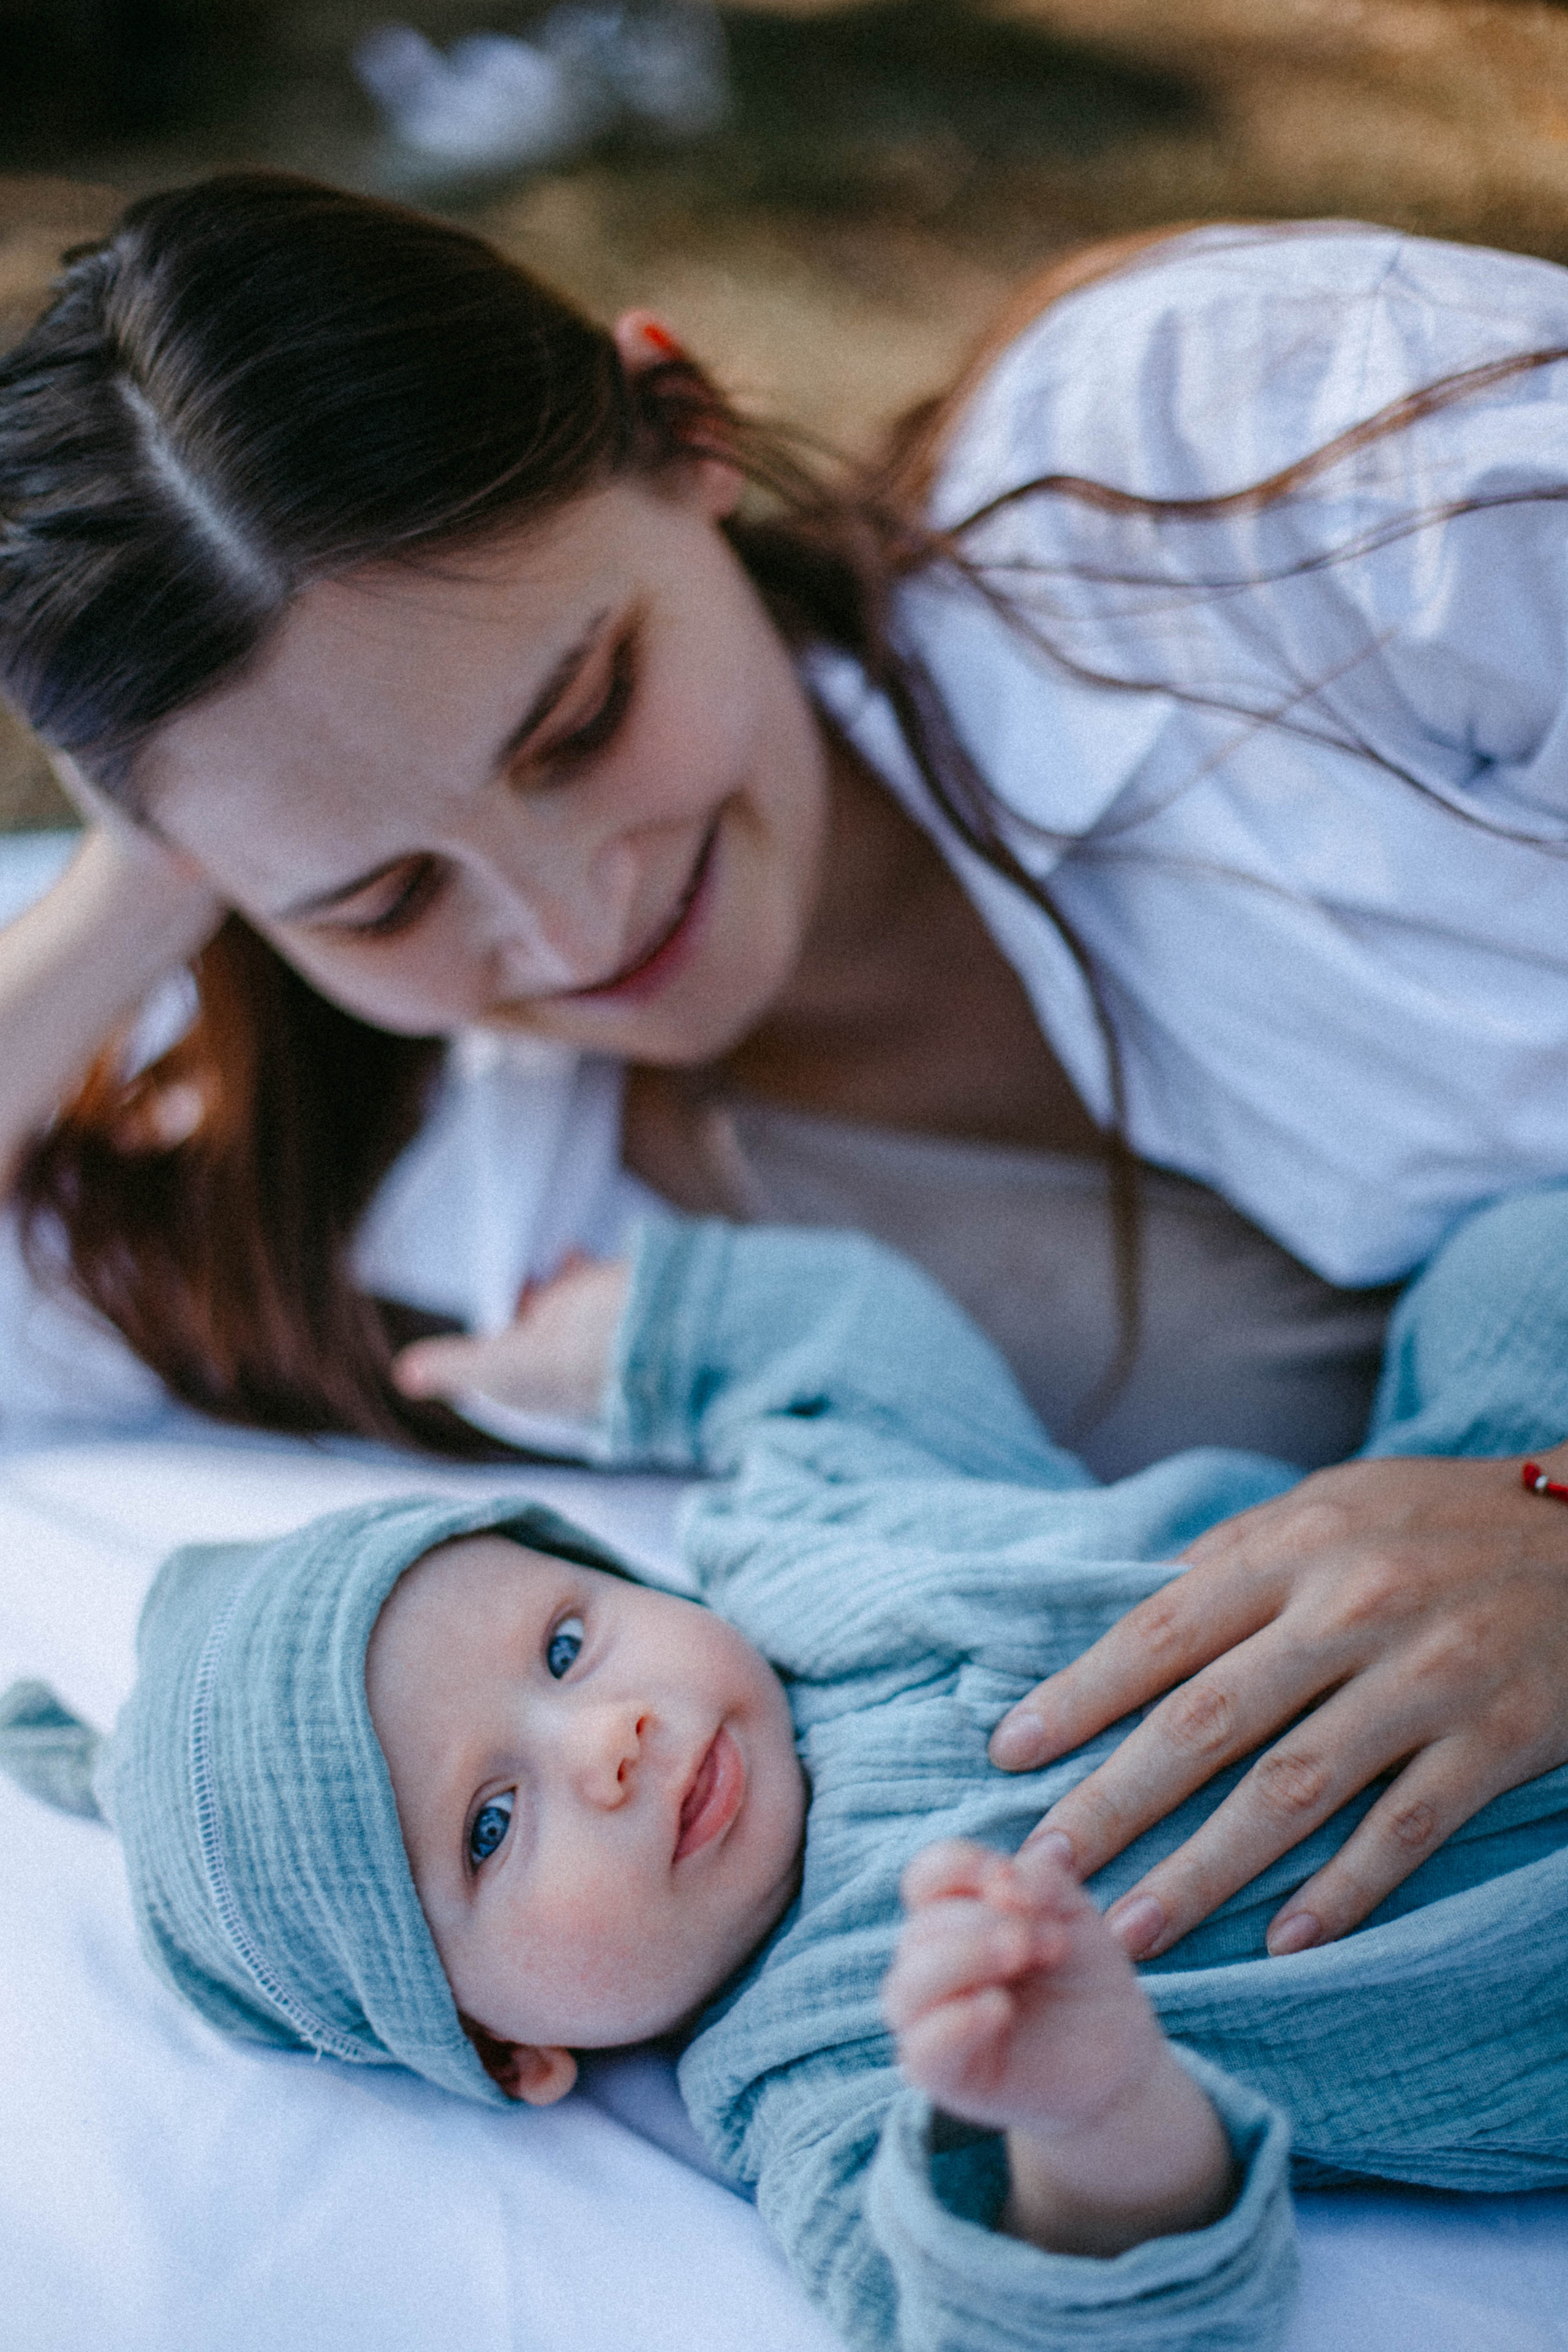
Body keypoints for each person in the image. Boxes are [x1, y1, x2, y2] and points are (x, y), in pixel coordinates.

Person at [3, 175, 1568, 1983]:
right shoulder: (433, 1209)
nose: (570, 925)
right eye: (384, 896)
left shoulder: (1235, 455)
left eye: (581, 722)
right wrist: (148, 872)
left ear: (685, 432)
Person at [6, 1186, 1568, 2352]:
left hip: (1486, 1531)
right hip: (1520, 1947)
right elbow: (1030, 2317)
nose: (604, 1741)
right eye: (490, 1823)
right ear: (504, 2052)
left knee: (1511, 1277)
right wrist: (1079, 2112)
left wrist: (639, 1337)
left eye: (563, 1645)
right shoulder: (811, 2074)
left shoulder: (795, 1537)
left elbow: (850, 1350)